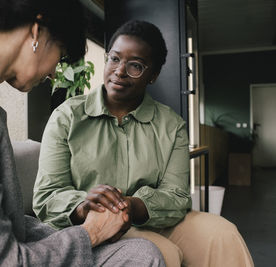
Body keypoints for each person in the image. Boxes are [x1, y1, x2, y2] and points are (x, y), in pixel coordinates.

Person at [0, 1, 166, 266]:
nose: (54, 73)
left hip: (11, 245)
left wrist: (78, 229)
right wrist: (92, 232)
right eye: (61, 54)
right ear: (37, 32)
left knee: (140, 253)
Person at [33, 20, 255, 267]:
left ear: (153, 75)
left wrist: (134, 205)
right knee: (162, 252)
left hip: (151, 219)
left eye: (136, 65)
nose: (119, 71)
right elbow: (47, 196)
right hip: (92, 225)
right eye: (114, 59)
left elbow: (178, 196)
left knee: (223, 233)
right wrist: (84, 206)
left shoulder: (172, 126)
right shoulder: (67, 117)